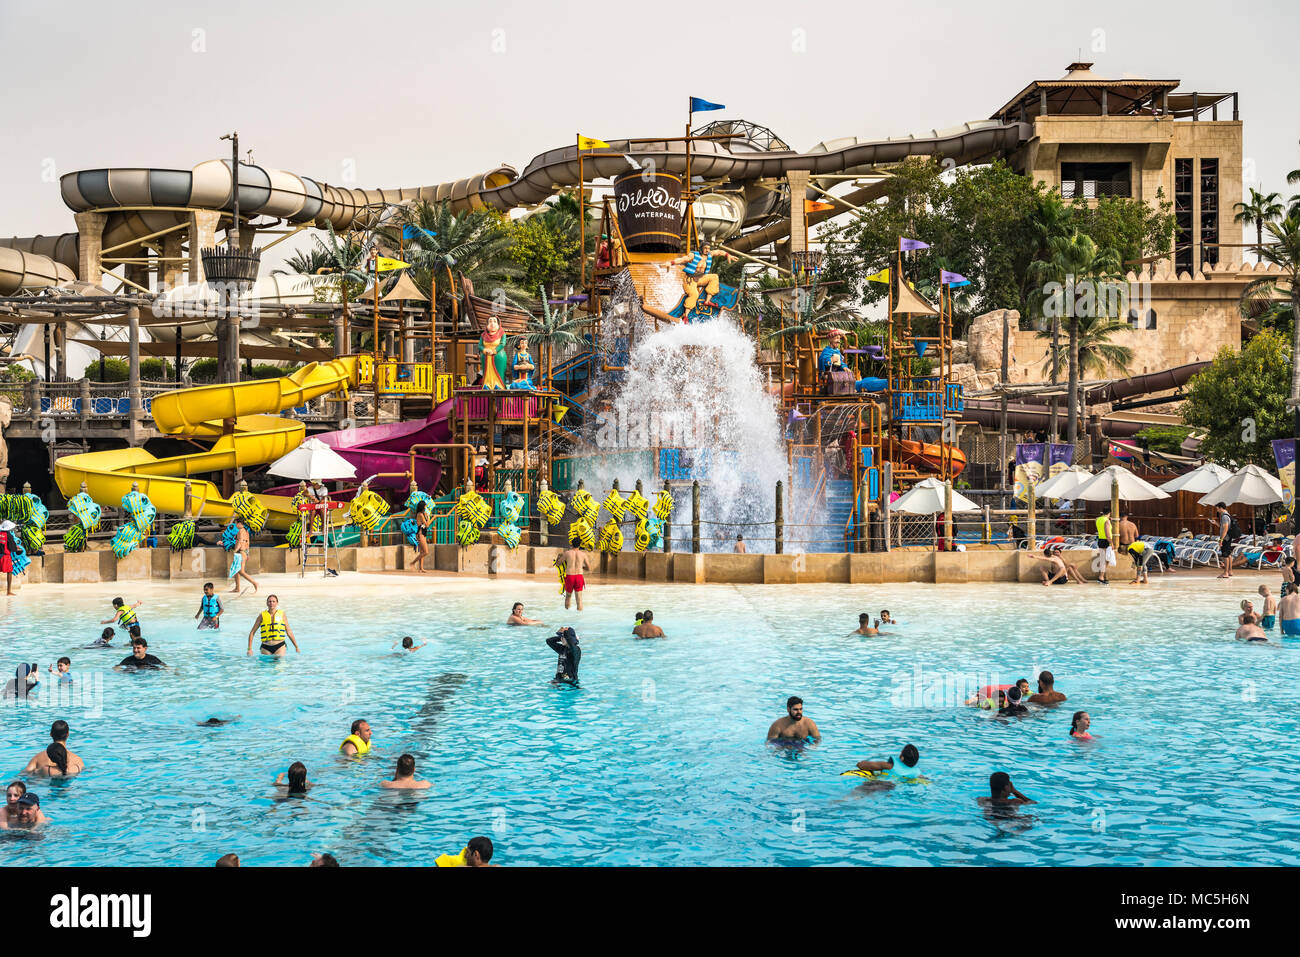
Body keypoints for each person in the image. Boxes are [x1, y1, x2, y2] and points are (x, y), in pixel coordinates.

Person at [669, 242, 734, 313]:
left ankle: (707, 301)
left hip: (701, 279)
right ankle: (686, 316)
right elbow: (683, 259)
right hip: (690, 280)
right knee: (694, 294)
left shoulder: (710, 255)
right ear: (701, 248)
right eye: (705, 248)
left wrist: (728, 255)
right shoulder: (693, 255)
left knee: (714, 277)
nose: (707, 250)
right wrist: (671, 263)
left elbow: (719, 252)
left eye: (708, 248)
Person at [849, 744, 922, 780]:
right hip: (894, 787)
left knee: (858, 792)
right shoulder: (916, 773)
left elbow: (862, 765)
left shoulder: (889, 766)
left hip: (883, 784)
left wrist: (859, 763)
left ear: (902, 758)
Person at [559, 537, 590, 612]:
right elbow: (588, 568)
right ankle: (579, 614)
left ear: (571, 544)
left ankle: (567, 613)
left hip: (569, 576)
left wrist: (559, 557)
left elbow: (558, 563)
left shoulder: (567, 553)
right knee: (579, 598)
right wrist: (581, 567)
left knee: (568, 597)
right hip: (579, 576)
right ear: (579, 545)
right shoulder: (583, 554)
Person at [229, 517, 258, 596]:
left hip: (241, 552)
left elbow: (240, 541)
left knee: (241, 571)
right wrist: (247, 553)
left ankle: (254, 583)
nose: (235, 525)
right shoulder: (246, 531)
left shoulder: (240, 531)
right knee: (236, 570)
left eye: (236, 523)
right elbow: (248, 543)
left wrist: (235, 550)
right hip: (244, 552)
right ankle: (237, 588)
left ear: (239, 523)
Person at [1216, 506, 1244, 579]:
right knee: (1228, 554)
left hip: (1226, 538)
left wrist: (1221, 539)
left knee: (1225, 555)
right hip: (1228, 537)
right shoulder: (1227, 515)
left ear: (1221, 508)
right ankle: (1230, 571)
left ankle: (1225, 573)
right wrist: (1216, 523)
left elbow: (1225, 529)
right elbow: (1223, 527)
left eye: (1217, 508)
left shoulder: (1224, 516)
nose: (1217, 510)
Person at [410, 500, 431, 573]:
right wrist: (428, 518)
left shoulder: (423, 514)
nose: (426, 507)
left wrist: (427, 516)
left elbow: (426, 525)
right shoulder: (420, 515)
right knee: (425, 552)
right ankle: (412, 563)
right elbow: (427, 525)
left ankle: (421, 568)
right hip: (420, 534)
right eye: (425, 506)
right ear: (422, 506)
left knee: (422, 552)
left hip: (424, 533)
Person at [1094, 510, 1115, 584]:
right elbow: (1107, 534)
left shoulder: (1098, 519)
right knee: (1105, 560)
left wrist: (1108, 519)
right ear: (1109, 513)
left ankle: (1102, 575)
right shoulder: (1107, 521)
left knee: (1104, 560)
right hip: (1106, 541)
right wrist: (1111, 543)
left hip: (1100, 540)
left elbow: (1097, 519)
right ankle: (1101, 577)